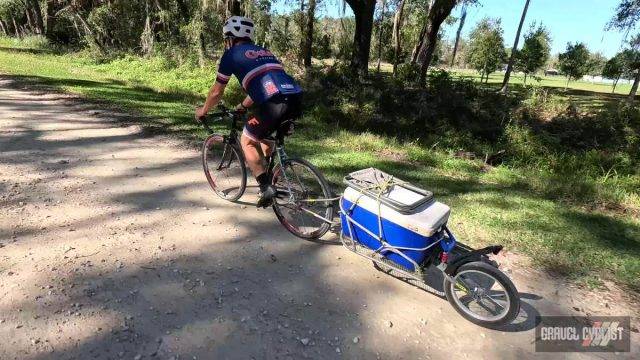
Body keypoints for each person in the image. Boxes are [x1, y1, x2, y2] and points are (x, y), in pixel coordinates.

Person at [195, 16, 303, 208]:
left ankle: (265, 188)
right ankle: (272, 177)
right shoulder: (264, 51)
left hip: (274, 102)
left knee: (247, 140)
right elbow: (261, 84)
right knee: (266, 139)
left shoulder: (231, 55)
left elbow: (217, 92)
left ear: (230, 38)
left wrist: (203, 110)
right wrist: (243, 106)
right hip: (295, 98)